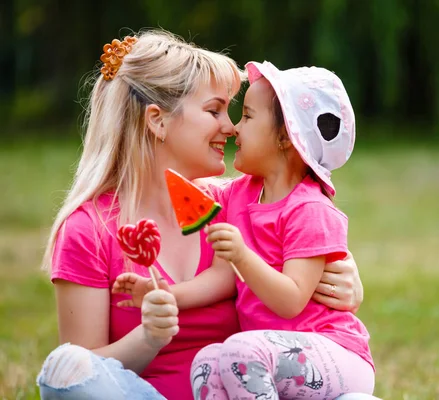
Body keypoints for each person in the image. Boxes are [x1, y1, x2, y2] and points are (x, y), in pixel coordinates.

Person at [35, 30, 366, 400]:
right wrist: (147, 338)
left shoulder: (232, 207)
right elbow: (87, 372)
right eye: (214, 110)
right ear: (158, 121)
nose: (230, 126)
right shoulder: (87, 230)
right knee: (65, 371)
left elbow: (303, 246)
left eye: (234, 112)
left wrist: (347, 281)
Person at [115, 61, 375, 399]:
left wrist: (242, 255)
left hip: (334, 354)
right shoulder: (238, 196)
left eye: (248, 117)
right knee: (207, 362)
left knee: (238, 352)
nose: (235, 128)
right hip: (265, 354)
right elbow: (221, 272)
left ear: (285, 137)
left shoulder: (311, 209)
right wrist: (162, 293)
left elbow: (292, 300)